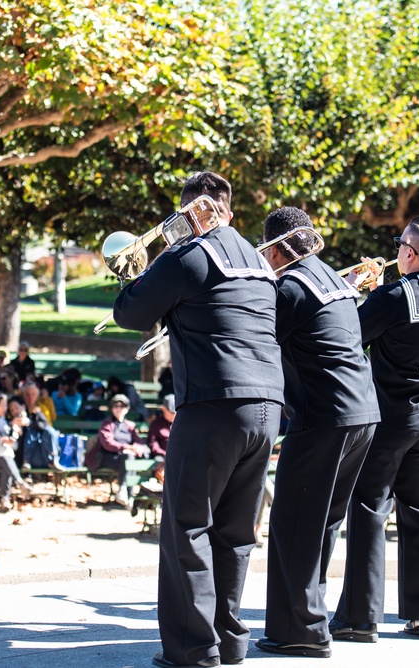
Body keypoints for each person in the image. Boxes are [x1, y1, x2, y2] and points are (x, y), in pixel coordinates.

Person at [113, 171, 285, 668]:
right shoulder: (258, 261)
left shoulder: (187, 254)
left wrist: (133, 268)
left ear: (192, 213)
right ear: (229, 212)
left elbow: (130, 312)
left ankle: (193, 650)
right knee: (235, 531)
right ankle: (230, 643)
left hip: (213, 404)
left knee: (187, 527)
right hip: (267, 406)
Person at [331, 216, 419, 644]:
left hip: (391, 416)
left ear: (408, 251)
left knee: (370, 507)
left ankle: (360, 616)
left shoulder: (394, 295)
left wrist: (359, 287)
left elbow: (350, 332)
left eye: (399, 244)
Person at [258, 206, 379, 659]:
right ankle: (310, 615)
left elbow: (255, 333)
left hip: (325, 415)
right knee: (321, 522)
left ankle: (300, 631)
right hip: (362, 412)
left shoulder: (289, 287)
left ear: (274, 247)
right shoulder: (330, 277)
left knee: (292, 522)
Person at [96, 393, 150, 506]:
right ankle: (127, 494)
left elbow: (138, 443)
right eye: (116, 406)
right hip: (108, 457)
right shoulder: (107, 424)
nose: (119, 409)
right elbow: (107, 443)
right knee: (128, 459)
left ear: (127, 408)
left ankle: (126, 493)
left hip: (127, 458)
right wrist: (126, 447)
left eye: (122, 406)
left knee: (130, 459)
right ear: (112, 408)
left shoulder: (129, 425)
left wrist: (136, 449)